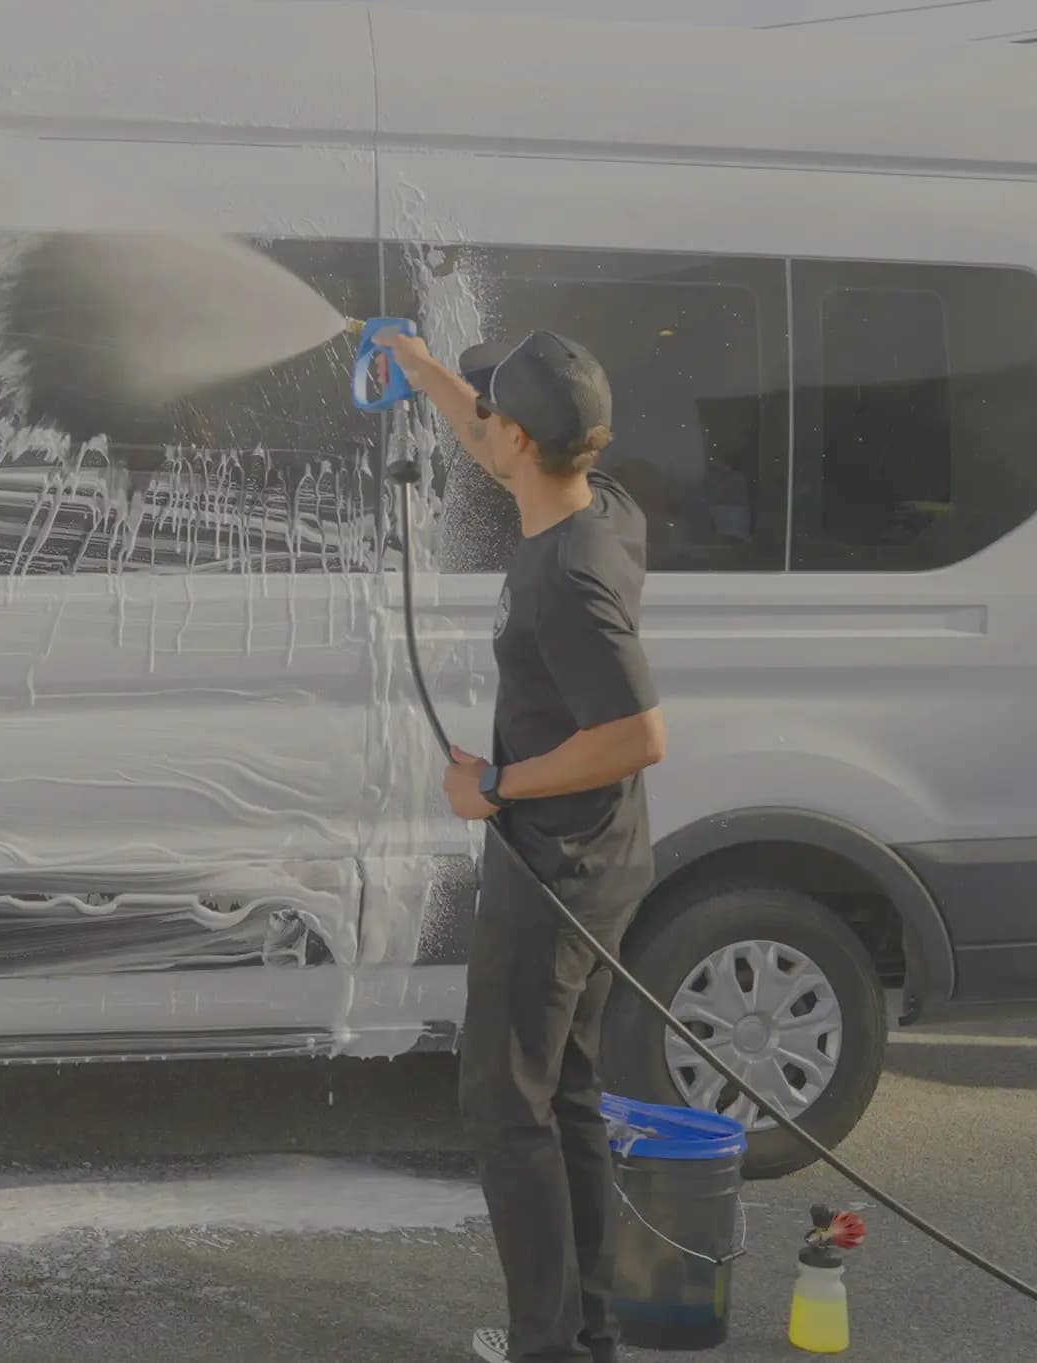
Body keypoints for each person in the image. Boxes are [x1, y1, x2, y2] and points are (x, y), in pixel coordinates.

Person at [383, 327, 668, 1363]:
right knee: (571, 1095)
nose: (482, 428)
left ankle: (545, 1345)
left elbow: (637, 735)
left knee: (507, 1108)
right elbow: (491, 431)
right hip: (602, 858)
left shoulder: (563, 579)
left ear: (518, 439)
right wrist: (423, 371)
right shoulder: (603, 505)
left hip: (553, 869)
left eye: (489, 415)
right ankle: (580, 1334)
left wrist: (495, 783)